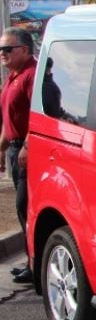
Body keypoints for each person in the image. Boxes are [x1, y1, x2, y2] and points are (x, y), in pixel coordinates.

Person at [0, 28, 38, 284]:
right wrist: (2, 150)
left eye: (7, 49)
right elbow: (8, 119)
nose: (2, 54)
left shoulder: (31, 75)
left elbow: (38, 117)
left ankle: (35, 265)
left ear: (24, 50)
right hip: (14, 149)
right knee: (22, 208)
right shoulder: (13, 76)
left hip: (29, 153)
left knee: (26, 206)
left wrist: (26, 146)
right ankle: (30, 262)